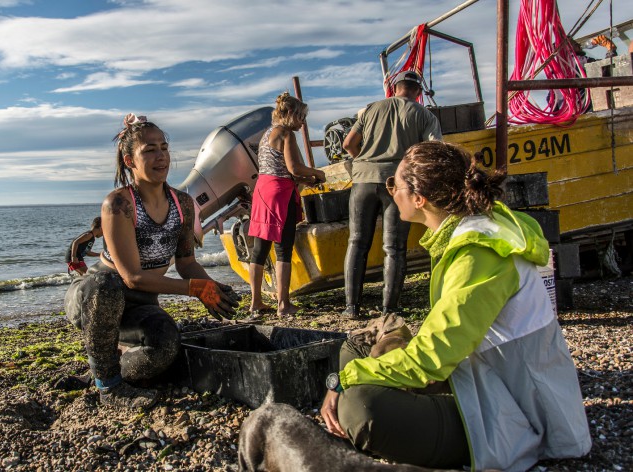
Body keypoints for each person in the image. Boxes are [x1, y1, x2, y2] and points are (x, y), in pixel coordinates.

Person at [314, 141, 591, 470]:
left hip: (508, 412)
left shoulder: (479, 252)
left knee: (359, 407)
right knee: (355, 349)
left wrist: (343, 380)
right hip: (476, 375)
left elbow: (433, 357)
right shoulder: (470, 231)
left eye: (394, 184)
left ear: (420, 198)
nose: (391, 192)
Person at [64, 113, 240, 410]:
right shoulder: (119, 204)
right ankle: (108, 387)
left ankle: (102, 367)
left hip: (141, 307)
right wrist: (195, 289)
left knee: (166, 346)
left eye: (164, 147)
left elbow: (186, 263)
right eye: (149, 150)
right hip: (94, 300)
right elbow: (131, 277)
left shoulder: (183, 204)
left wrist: (212, 288)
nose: (161, 156)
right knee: (107, 283)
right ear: (130, 161)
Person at [341, 70, 442, 319]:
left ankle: (351, 308)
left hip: (363, 180)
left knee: (357, 242)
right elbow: (433, 150)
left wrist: (365, 163)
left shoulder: (371, 108)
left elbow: (348, 144)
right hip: (396, 183)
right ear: (418, 92)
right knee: (394, 247)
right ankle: (390, 309)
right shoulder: (424, 114)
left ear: (394, 89)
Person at [247, 92, 325, 317]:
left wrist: (306, 180)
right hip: (280, 195)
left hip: (262, 191)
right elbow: (294, 169)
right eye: (301, 116)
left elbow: (278, 169)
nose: (303, 122)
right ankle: (283, 304)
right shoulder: (286, 134)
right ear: (290, 113)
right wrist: (317, 172)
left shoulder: (266, 134)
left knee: (259, 251)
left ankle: (255, 303)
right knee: (283, 250)